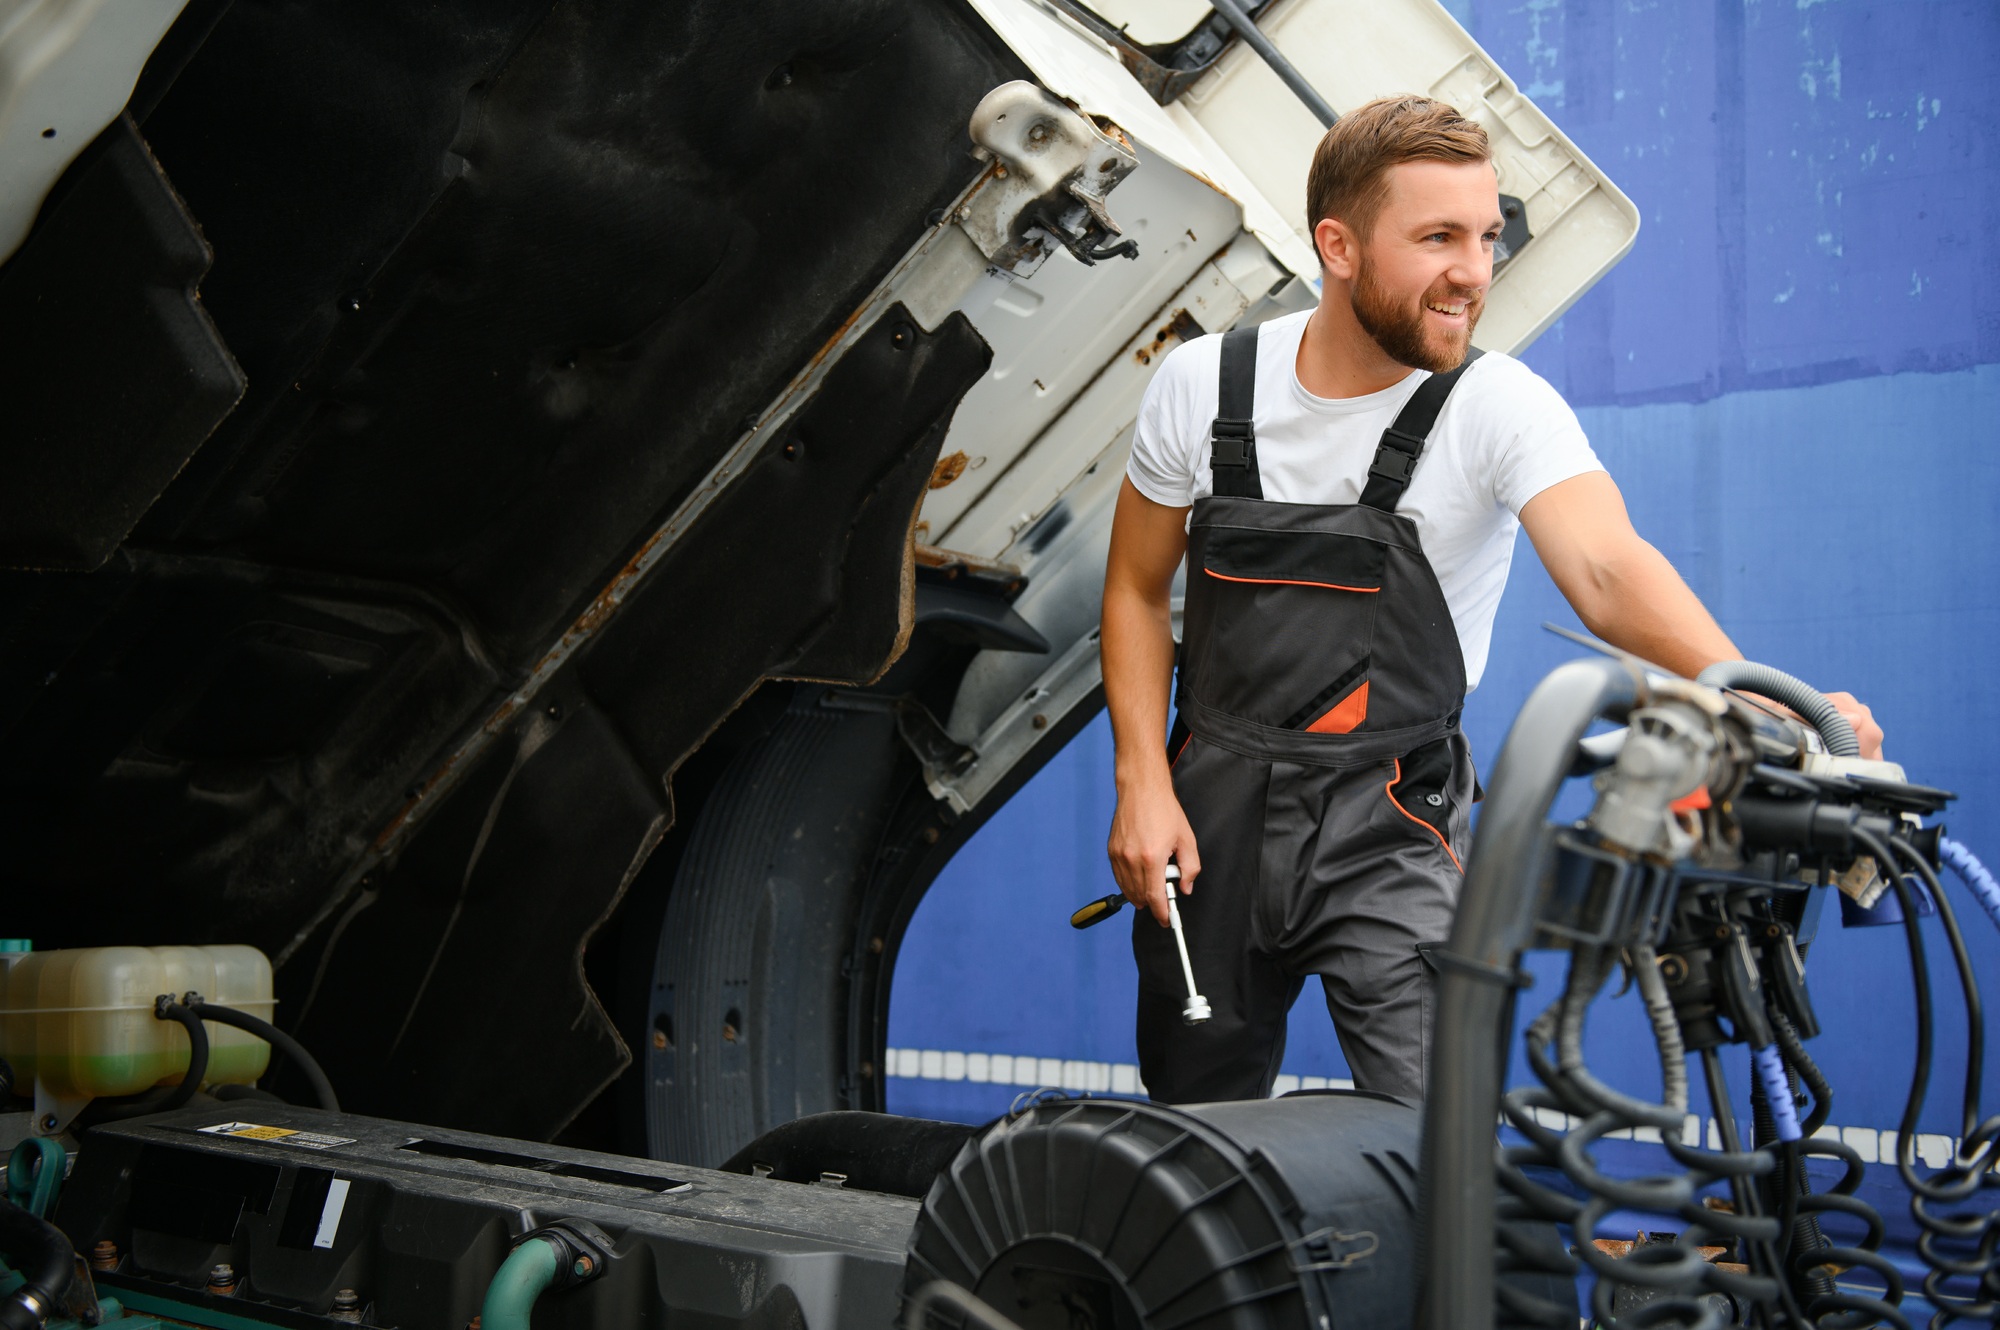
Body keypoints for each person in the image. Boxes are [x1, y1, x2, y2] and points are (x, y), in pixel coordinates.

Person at [1099, 95, 1881, 1106]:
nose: (1473, 270)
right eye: (1436, 238)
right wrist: (1140, 784)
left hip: (1386, 819)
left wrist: (1769, 700)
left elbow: (1603, 569)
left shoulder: (1496, 406)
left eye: (1485, 235)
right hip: (1207, 815)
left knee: (1437, 1132)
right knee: (1189, 1127)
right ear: (1336, 245)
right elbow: (1131, 588)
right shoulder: (1201, 385)